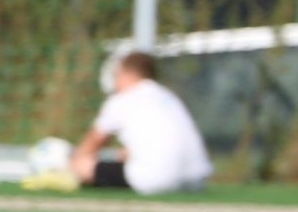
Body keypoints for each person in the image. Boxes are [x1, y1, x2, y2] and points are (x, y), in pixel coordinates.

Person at [23, 50, 212, 194]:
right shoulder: (167, 96)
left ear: (128, 74)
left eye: (118, 73)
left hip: (159, 180)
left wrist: (72, 165)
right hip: (196, 179)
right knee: (124, 156)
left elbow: (93, 143)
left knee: (83, 165)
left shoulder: (122, 100)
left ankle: (55, 176)